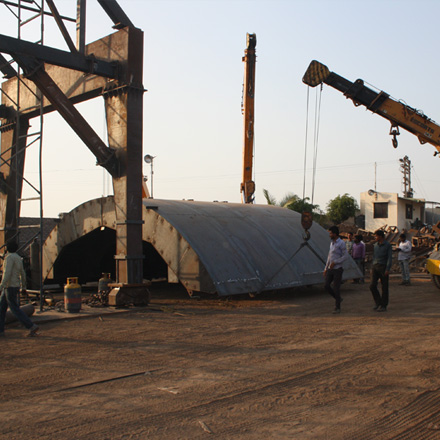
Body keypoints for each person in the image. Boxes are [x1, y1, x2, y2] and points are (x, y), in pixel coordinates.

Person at [0, 240, 39, 337]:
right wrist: (23, 287)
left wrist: (1, 286)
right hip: (14, 286)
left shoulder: (9, 258)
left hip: (9, 286)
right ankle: (1, 330)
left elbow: (7, 273)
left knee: (14, 309)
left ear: (7, 249)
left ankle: (31, 326)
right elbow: (22, 273)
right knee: (1, 308)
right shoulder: (18, 258)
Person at [324, 226, 348, 314]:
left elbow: (345, 256)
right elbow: (329, 256)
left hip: (337, 269)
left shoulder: (341, 243)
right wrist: (325, 268)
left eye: (330, 233)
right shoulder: (332, 243)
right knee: (326, 286)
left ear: (334, 234)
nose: (329, 235)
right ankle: (338, 298)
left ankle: (337, 307)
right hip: (331, 268)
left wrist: (336, 262)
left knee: (336, 287)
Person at [370, 230, 393, 312]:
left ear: (380, 236)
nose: (375, 238)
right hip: (375, 266)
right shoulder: (375, 245)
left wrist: (387, 269)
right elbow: (374, 256)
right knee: (372, 286)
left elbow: (389, 258)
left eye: (376, 236)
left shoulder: (387, 245)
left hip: (383, 267)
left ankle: (384, 305)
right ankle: (378, 302)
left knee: (384, 287)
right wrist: (372, 267)